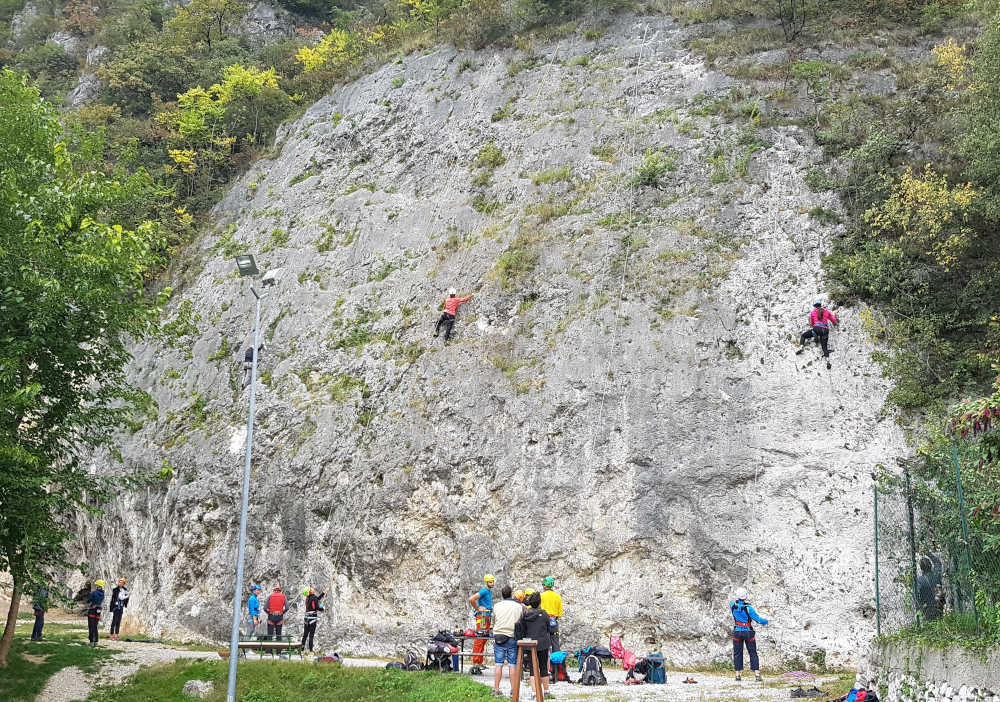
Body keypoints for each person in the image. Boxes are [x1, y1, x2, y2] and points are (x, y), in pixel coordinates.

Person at [516, 592, 554, 697]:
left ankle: (534, 692)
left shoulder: (525, 614)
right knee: (543, 667)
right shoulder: (544, 614)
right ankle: (546, 691)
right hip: (542, 643)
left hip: (529, 644)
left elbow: (522, 629)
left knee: (533, 668)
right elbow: (549, 628)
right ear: (539, 602)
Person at [491, 585, 523, 697]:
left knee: (498, 664)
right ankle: (513, 691)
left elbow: (493, 621)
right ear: (511, 594)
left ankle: (496, 689)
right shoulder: (518, 606)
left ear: (502, 594)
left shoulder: (496, 606)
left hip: (499, 637)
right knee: (512, 665)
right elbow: (521, 621)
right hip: (512, 637)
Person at [730, 587, 768, 682]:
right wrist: (766, 621)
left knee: (737, 653)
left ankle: (738, 675)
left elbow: (737, 606)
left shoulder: (732, 605)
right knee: (753, 653)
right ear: (745, 596)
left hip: (737, 632)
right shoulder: (749, 608)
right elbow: (758, 620)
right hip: (748, 632)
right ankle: (757, 675)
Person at [468, 574, 495, 667]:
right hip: (482, 617)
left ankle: (479, 661)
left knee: (483, 639)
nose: (492, 583)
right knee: (479, 639)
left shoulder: (489, 591)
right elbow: (471, 599)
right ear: (486, 582)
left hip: (487, 616)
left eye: (493, 581)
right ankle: (476, 662)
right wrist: (478, 608)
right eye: (490, 582)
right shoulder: (484, 590)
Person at [539, 576, 563, 652]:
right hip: (553, 621)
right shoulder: (558, 596)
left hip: (543, 621)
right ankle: (556, 662)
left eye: (543, 585)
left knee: (544, 643)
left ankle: (545, 662)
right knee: (555, 642)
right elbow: (560, 613)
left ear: (545, 585)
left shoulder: (541, 596)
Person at [301, 586, 326, 654]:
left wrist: (323, 593)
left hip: (306, 619)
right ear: (310, 592)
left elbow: (317, 600)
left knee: (305, 635)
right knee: (311, 636)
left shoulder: (308, 598)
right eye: (311, 589)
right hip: (312, 619)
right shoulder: (313, 597)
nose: (312, 589)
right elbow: (317, 607)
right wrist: (323, 609)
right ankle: (311, 651)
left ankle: (302, 650)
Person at [87, 580, 106, 647]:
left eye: (96, 585)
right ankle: (96, 641)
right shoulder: (103, 594)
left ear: (98, 586)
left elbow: (89, 600)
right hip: (98, 610)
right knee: (95, 626)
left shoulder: (94, 593)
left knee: (91, 626)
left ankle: (91, 641)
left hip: (92, 610)